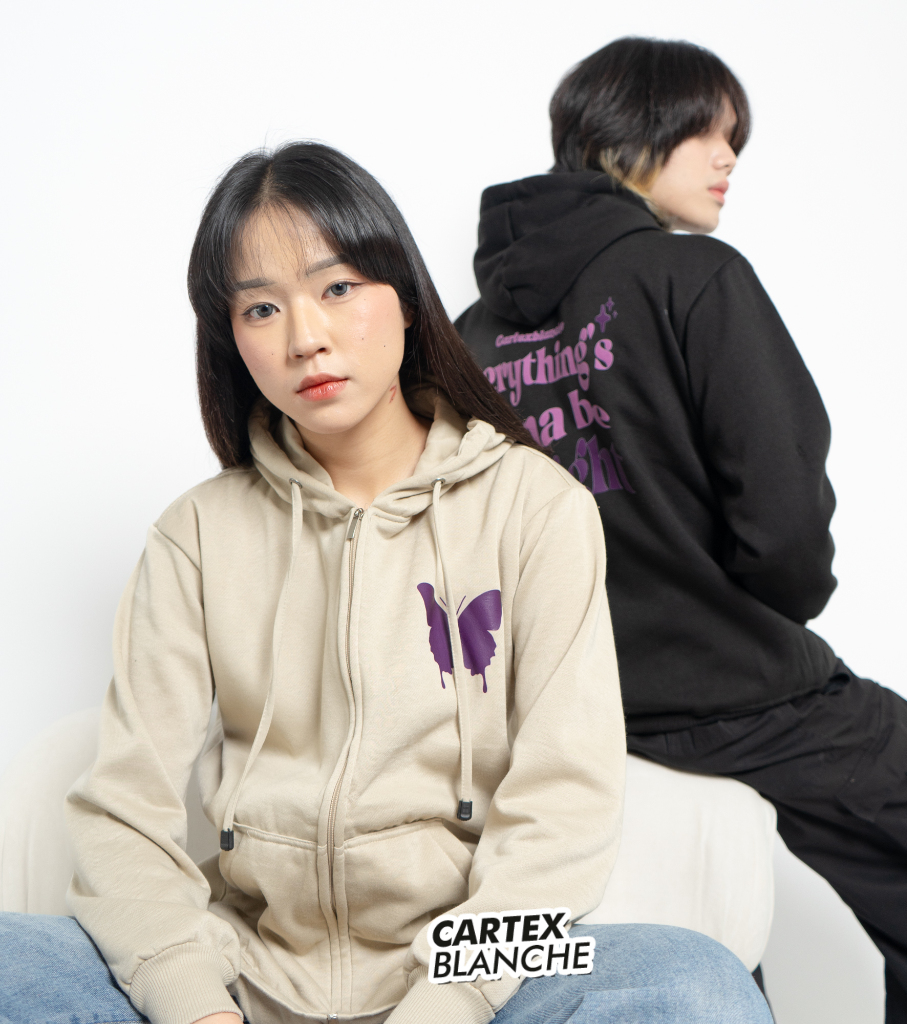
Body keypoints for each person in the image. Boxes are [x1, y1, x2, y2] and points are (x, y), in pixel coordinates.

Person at [0, 143, 772, 1024]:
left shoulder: (536, 507)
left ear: (404, 295)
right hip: (251, 966)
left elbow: (564, 807)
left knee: (698, 983)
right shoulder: (198, 535)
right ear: (233, 340)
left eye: (337, 288)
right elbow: (124, 812)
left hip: (468, 976)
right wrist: (196, 1004)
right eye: (261, 308)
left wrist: (449, 1002)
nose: (306, 337)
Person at [455, 36, 907, 1024]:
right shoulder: (695, 277)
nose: (727, 159)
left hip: (571, 702)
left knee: (699, 908)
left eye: (735, 141)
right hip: (735, 689)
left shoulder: (470, 334)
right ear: (628, 132)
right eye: (707, 134)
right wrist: (766, 611)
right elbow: (785, 522)